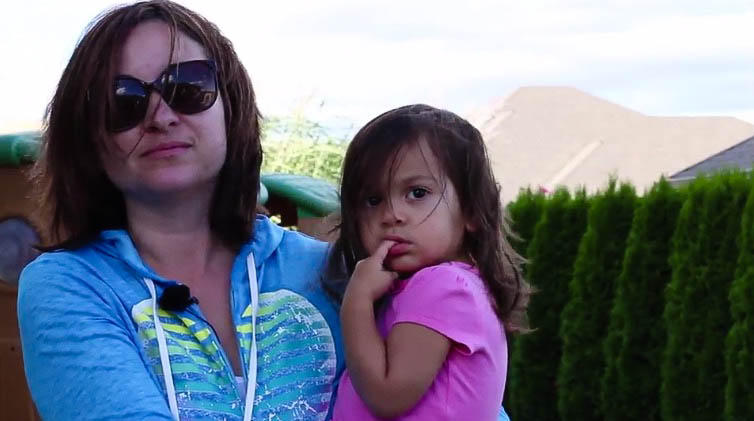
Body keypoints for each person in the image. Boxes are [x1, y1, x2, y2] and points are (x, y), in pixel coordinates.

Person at [17, 1, 343, 420]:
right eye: (123, 102)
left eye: (187, 87)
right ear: (89, 139)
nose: (161, 116)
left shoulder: (333, 271)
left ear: (231, 105)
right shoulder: (67, 286)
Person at [327, 104, 530, 420]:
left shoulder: (442, 285)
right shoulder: (446, 285)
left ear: (472, 211)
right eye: (373, 200)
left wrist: (357, 302)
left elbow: (387, 395)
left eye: (417, 192)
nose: (391, 215)